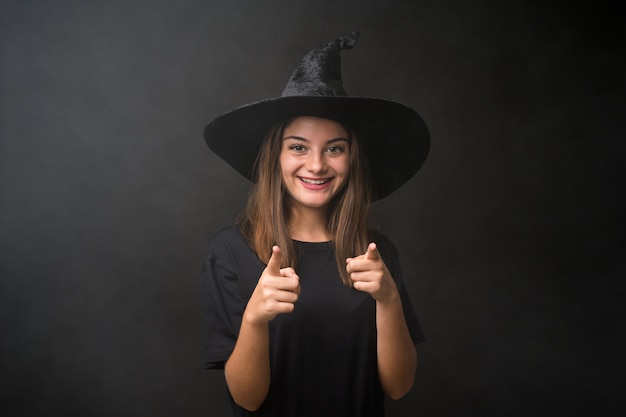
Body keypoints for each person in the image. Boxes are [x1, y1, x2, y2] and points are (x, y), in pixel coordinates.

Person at [201, 32, 430, 417]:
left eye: (335, 148)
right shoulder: (231, 251)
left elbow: (399, 386)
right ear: (275, 156)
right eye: (298, 146)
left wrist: (388, 299)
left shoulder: (377, 255)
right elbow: (247, 398)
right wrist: (255, 317)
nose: (317, 164)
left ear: (352, 159)